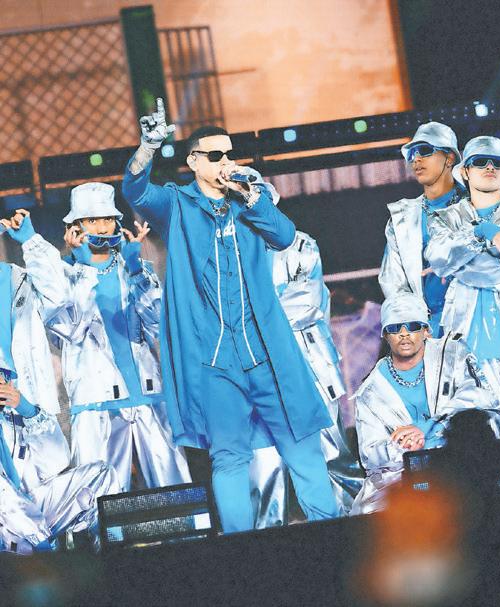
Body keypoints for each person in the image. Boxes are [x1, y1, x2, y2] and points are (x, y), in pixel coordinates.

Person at [122, 99, 338, 532]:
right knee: (228, 456)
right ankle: (241, 546)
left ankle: (330, 531)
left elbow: (284, 236)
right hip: (215, 359)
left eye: (230, 154)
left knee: (302, 443)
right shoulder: (177, 204)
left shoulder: (248, 200)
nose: (226, 162)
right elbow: (136, 192)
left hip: (265, 351)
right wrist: (147, 147)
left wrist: (252, 196)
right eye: (216, 155)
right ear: (194, 162)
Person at [425, 135, 500, 480]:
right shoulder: (444, 218)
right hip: (468, 350)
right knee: (486, 448)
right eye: (480, 162)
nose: (489, 167)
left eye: (497, 162)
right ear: (465, 171)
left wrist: (465, 263)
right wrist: (485, 232)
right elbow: (440, 259)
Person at [56, 182, 191, 492]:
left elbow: (158, 324)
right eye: (92, 220)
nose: (102, 227)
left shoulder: (136, 267)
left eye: (107, 218)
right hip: (95, 401)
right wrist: (83, 267)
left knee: (175, 492)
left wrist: (135, 269)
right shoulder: (62, 274)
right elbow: (69, 329)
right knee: (98, 497)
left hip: (148, 393)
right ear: (74, 227)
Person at [0, 210, 120, 553]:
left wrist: (32, 243)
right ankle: (42, 554)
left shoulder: (17, 279)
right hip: (16, 521)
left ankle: (108, 559)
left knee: (99, 477)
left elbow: (60, 303)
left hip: (29, 409)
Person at [351, 293, 500, 514]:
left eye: (413, 326)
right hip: (405, 476)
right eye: (395, 328)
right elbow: (370, 456)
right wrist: (403, 447)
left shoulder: (452, 354)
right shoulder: (370, 391)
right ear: (385, 335)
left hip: (462, 460)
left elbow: (482, 397)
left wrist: (427, 427)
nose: (404, 334)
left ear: (426, 330)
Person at [251, 230, 364, 526]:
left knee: (331, 454)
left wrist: (251, 316)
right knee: (264, 465)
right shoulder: (229, 246)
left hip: (310, 368)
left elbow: (304, 305)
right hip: (258, 373)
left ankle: (348, 527)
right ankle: (265, 539)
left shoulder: (300, 244)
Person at [379, 122, 464, 336]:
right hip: (430, 331)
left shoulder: (477, 205)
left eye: (425, 150)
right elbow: (394, 283)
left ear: (449, 158)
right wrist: (414, 326)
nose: (416, 159)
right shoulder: (402, 219)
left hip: (477, 322)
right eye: (412, 154)